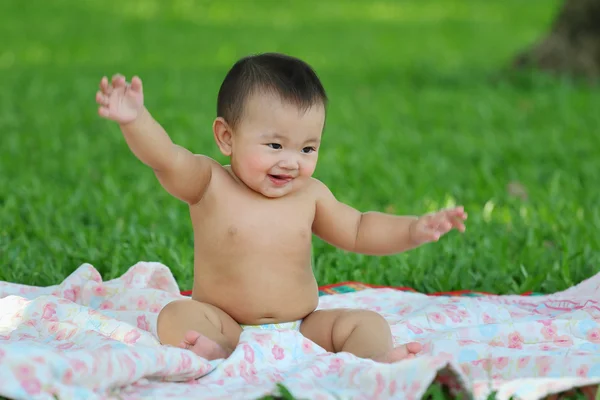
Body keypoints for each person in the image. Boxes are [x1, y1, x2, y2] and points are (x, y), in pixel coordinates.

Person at [95, 52, 467, 363]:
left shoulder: (311, 195)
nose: (291, 162)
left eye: (307, 149)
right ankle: (222, 353)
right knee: (176, 315)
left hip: (304, 327)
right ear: (226, 137)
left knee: (367, 323)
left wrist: (413, 229)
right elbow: (167, 159)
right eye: (275, 146)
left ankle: (370, 363)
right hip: (226, 322)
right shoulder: (209, 183)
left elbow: (359, 229)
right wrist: (135, 120)